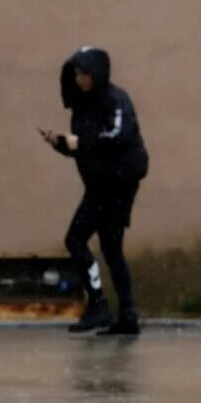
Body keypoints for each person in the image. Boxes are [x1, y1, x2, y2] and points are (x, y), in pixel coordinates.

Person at [38, 47, 148, 336]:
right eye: (76, 74)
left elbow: (116, 136)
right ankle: (124, 314)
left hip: (117, 182)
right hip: (99, 183)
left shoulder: (115, 100)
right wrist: (61, 144)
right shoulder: (81, 107)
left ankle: (104, 307)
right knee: (107, 247)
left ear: (98, 74)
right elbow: (85, 149)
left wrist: (80, 143)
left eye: (84, 74)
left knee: (80, 240)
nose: (79, 79)